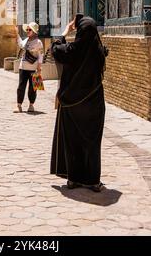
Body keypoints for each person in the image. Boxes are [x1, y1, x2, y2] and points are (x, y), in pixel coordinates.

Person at [50, 15, 108, 192]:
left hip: (72, 103)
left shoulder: (72, 50)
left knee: (72, 140)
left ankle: (74, 179)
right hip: (94, 103)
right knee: (91, 142)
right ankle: (92, 180)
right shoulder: (98, 51)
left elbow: (55, 50)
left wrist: (65, 32)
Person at [14, 22, 44, 113]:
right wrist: (17, 34)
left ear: (34, 31)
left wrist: (39, 67)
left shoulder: (38, 42)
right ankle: (19, 105)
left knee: (33, 88)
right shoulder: (26, 40)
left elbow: (41, 55)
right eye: (27, 29)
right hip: (23, 67)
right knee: (21, 87)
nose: (27, 31)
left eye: (29, 29)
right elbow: (20, 44)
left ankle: (31, 105)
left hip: (33, 68)